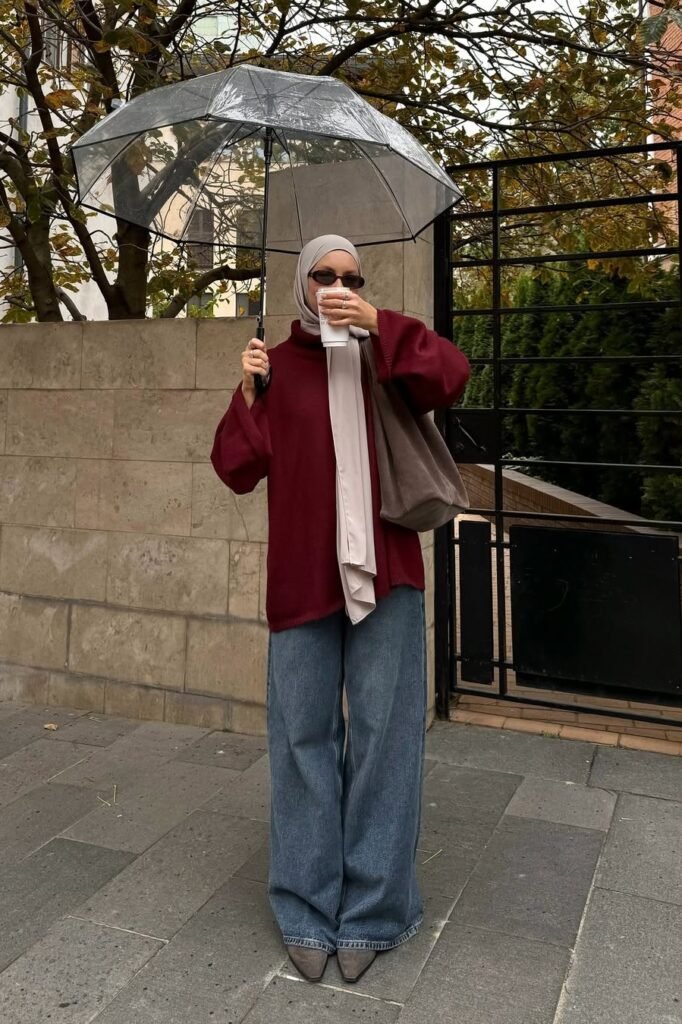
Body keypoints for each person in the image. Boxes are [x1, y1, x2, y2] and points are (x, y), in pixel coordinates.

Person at [210, 234, 470, 985]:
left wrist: (380, 324)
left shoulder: (386, 349)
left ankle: (376, 911)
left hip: (388, 574)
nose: (336, 286)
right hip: (301, 580)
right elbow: (235, 469)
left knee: (388, 740)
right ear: (301, 284)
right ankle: (305, 905)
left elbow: (452, 376)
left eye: (351, 277)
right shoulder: (276, 364)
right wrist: (248, 393)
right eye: (323, 275)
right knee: (302, 739)